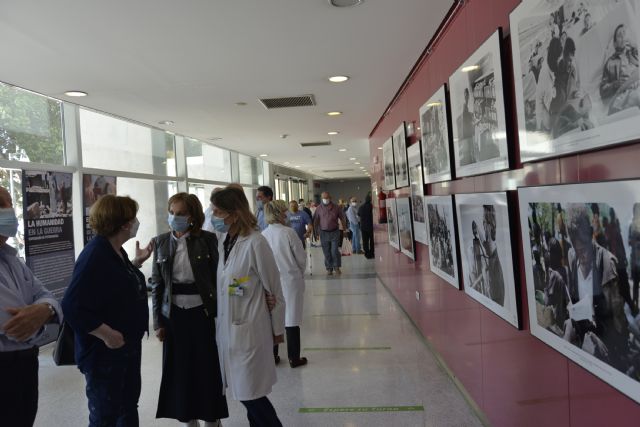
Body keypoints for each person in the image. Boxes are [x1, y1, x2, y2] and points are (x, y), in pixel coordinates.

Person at [61, 195, 154, 426]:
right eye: (133, 218)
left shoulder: (115, 250)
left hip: (125, 347)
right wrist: (106, 334)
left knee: (127, 406)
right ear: (123, 224)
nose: (136, 223)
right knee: (106, 415)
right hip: (105, 353)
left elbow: (114, 282)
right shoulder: (95, 255)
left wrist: (136, 262)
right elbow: (72, 306)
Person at [210, 186, 285, 427]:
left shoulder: (255, 242)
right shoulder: (226, 241)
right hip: (231, 330)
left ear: (234, 213)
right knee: (249, 395)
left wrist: (277, 330)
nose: (214, 217)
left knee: (251, 396)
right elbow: (231, 285)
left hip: (251, 330)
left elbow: (273, 288)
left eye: (218, 212)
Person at [151, 193, 228, 427]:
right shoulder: (161, 242)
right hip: (174, 315)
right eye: (172, 213)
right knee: (179, 370)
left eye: (181, 213)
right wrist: (158, 322)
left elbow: (220, 278)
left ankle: (211, 417)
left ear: (192, 216)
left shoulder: (208, 240)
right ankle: (188, 417)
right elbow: (157, 284)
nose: (175, 217)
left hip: (202, 312)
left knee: (206, 367)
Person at [0, 186, 62, 427]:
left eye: (8, 202)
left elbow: (48, 296)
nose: (9, 210)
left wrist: (44, 310)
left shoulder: (12, 259)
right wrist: (44, 314)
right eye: (1, 203)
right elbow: (12, 323)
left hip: (24, 364)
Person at [563, 204, 628, 370]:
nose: (582, 255)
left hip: (602, 343)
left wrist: (621, 355)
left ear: (591, 234)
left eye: (584, 247)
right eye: (577, 250)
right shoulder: (572, 258)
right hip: (581, 335)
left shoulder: (606, 264)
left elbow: (618, 319)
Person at [262, 201, 308, 368]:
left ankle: (273, 356)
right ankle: (293, 358)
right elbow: (301, 259)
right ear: (279, 214)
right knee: (292, 319)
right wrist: (298, 273)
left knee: (274, 317)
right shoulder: (289, 233)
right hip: (290, 280)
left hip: (271, 282)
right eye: (283, 212)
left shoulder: (264, 235)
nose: (286, 215)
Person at [600, 24, 640, 116]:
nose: (623, 36)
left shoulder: (634, 53)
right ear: (614, 43)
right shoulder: (610, 62)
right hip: (625, 94)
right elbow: (603, 91)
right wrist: (615, 84)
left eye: (624, 33)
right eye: (619, 35)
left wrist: (634, 47)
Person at [313, 192, 347, 276]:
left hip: (335, 232)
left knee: (334, 251)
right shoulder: (318, 208)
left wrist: (345, 230)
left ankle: (336, 267)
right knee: (326, 252)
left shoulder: (336, 207)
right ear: (321, 198)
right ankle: (329, 268)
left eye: (327, 197)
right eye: (324, 198)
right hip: (323, 233)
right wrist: (315, 233)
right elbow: (316, 221)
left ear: (330, 197)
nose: (325, 199)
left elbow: (342, 218)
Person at [357, 193, 374, 259]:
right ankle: (372, 253)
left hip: (363, 227)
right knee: (372, 241)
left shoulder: (361, 207)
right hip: (370, 227)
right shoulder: (371, 207)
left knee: (365, 241)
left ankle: (367, 254)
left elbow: (358, 214)